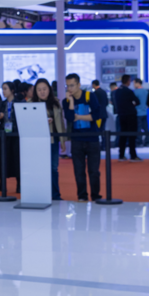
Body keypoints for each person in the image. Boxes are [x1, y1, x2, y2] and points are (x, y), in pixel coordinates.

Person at [63, 73, 104, 202]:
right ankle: (82, 196)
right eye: (67, 85)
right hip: (77, 140)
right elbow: (70, 118)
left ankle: (95, 195)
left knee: (94, 171)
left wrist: (79, 117)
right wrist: (71, 102)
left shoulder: (90, 96)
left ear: (79, 85)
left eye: (72, 85)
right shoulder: (66, 101)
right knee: (79, 171)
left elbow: (96, 115)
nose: (69, 88)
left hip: (92, 139)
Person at [31, 78, 66, 201]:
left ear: (49, 89)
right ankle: (41, 194)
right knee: (40, 168)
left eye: (44, 89)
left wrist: (62, 140)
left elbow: (60, 122)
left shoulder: (55, 102)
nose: (42, 92)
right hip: (39, 141)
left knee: (53, 168)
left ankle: (56, 195)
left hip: (54, 140)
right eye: (39, 89)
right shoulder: (32, 103)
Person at [0, 81, 21, 195]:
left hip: (15, 134)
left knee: (17, 160)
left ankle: (19, 185)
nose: (3, 91)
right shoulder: (1, 104)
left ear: (12, 90)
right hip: (3, 134)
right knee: (2, 159)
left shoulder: (19, 103)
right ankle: (2, 184)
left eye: (5, 89)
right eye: (3, 89)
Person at [113, 74, 141, 161]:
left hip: (121, 115)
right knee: (132, 135)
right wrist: (132, 105)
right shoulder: (128, 91)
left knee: (122, 135)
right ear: (128, 81)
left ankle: (121, 155)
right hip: (130, 115)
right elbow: (137, 101)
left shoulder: (117, 91)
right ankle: (133, 155)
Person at [134, 78, 149, 147]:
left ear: (138, 83)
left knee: (138, 129)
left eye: (134, 83)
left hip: (137, 113)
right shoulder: (146, 91)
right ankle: (147, 142)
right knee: (146, 129)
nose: (133, 85)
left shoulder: (135, 92)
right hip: (145, 112)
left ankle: (139, 142)